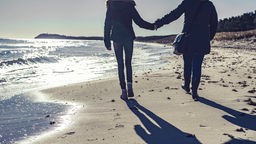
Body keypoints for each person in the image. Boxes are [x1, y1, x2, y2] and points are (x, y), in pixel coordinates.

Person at [154, 0, 218, 101]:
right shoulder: (209, 4)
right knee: (197, 65)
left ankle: (187, 86)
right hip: (202, 40)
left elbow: (174, 15)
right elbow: (214, 24)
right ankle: (195, 91)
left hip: (189, 38)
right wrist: (208, 37)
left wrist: (158, 23)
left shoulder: (188, 2)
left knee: (187, 63)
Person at [104, 0, 155, 100]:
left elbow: (107, 24)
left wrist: (107, 41)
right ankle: (130, 87)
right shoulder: (129, 5)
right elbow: (140, 22)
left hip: (117, 38)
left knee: (120, 64)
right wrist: (153, 26)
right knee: (128, 63)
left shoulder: (111, 5)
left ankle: (124, 92)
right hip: (128, 37)